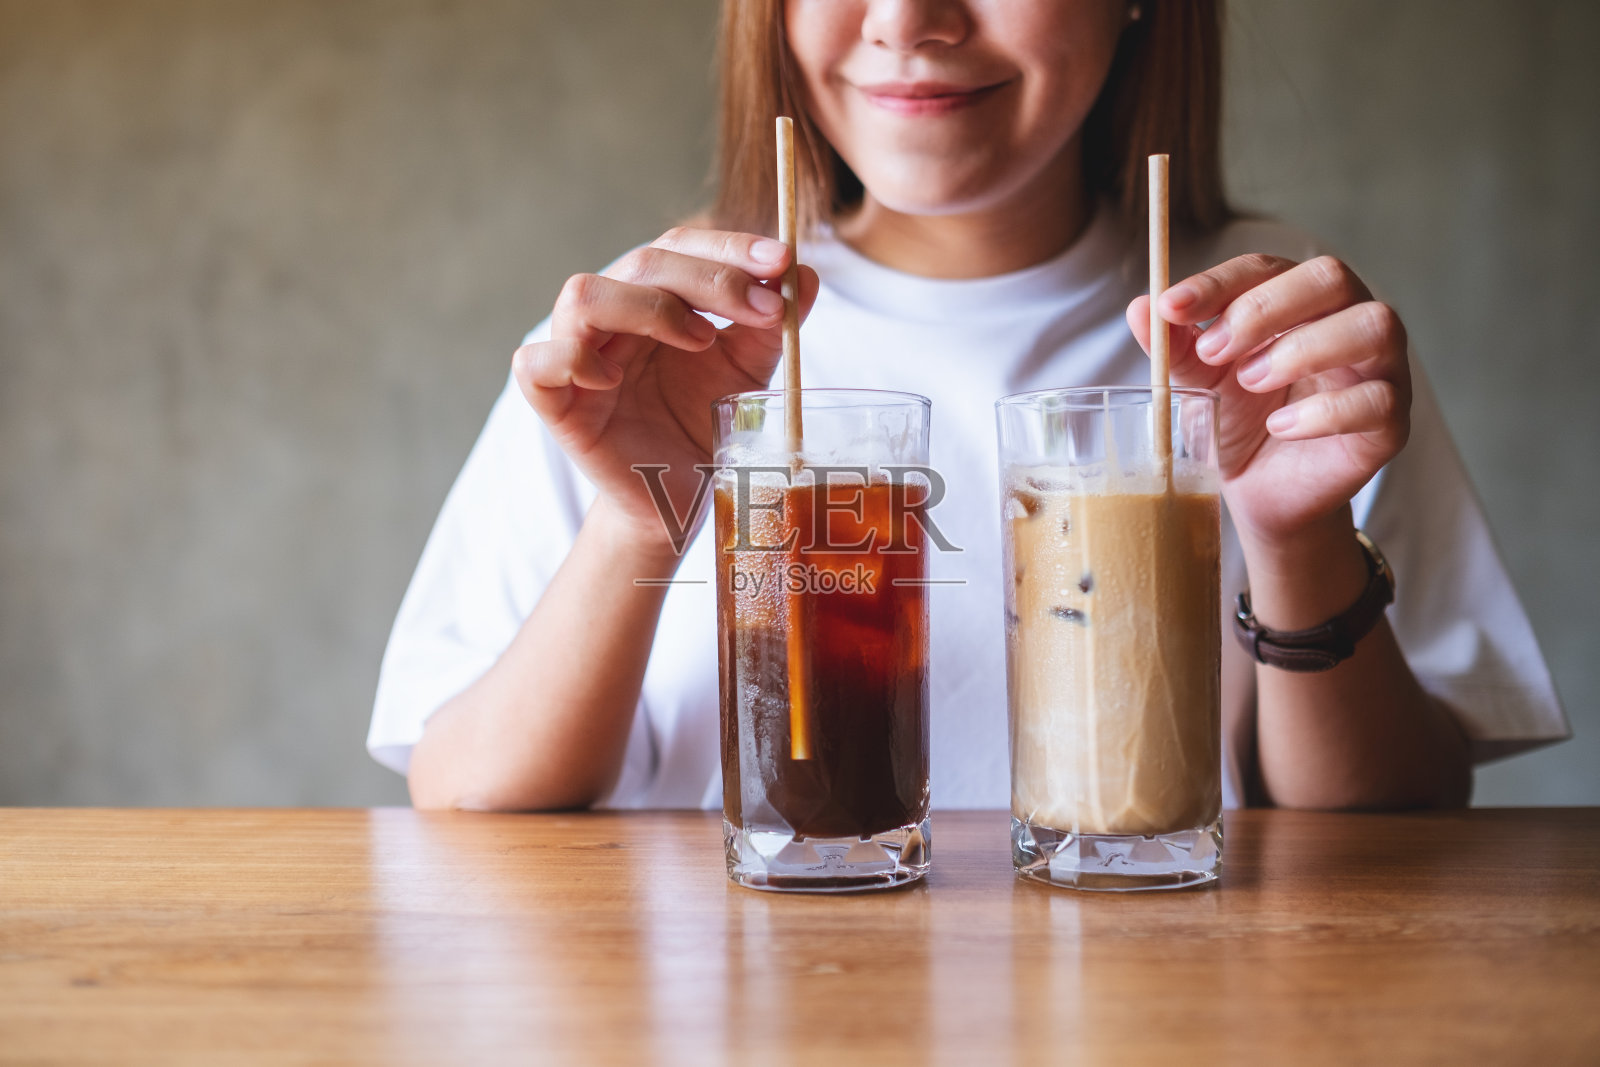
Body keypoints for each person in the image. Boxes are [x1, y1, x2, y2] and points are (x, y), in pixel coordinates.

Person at [368, 0, 1567, 813]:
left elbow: (1401, 818)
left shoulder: (1275, 327)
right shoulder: (656, 332)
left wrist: (1296, 538)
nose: (909, 20)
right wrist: (637, 524)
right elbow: (464, 790)